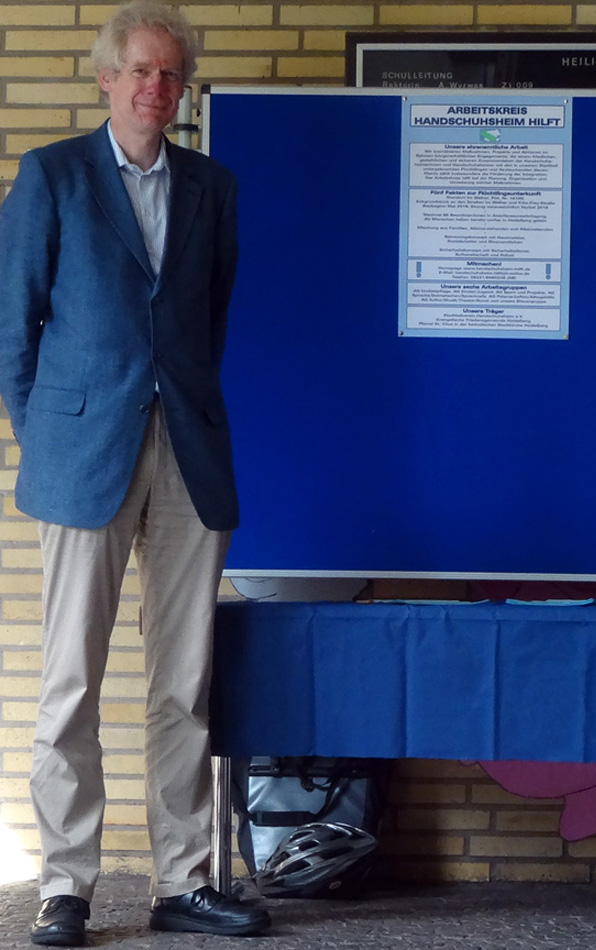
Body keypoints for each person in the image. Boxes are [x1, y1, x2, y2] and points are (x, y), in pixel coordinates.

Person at [0, 1, 270, 945]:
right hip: (83, 454)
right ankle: (65, 886)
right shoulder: (53, 176)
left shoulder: (212, 186)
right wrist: (46, 437)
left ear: (182, 88)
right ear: (107, 78)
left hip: (188, 450)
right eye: (140, 71)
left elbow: (207, 321)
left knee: (183, 681)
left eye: (170, 74)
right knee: (70, 680)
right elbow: (14, 325)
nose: (156, 87)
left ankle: (183, 882)